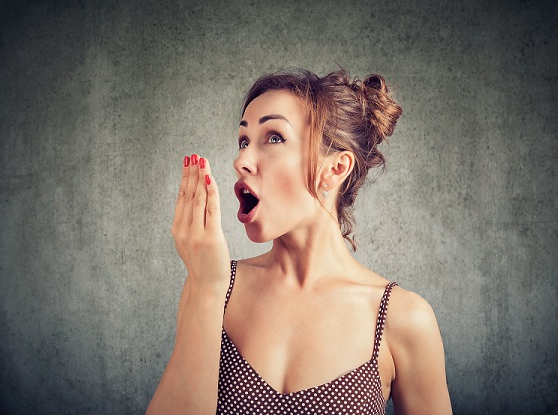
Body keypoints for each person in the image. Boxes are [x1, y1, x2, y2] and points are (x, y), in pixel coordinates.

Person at [146, 69, 452, 414]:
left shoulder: (403, 318)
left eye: (274, 137)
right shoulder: (214, 286)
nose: (240, 161)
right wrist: (205, 289)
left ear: (334, 169)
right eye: (244, 141)